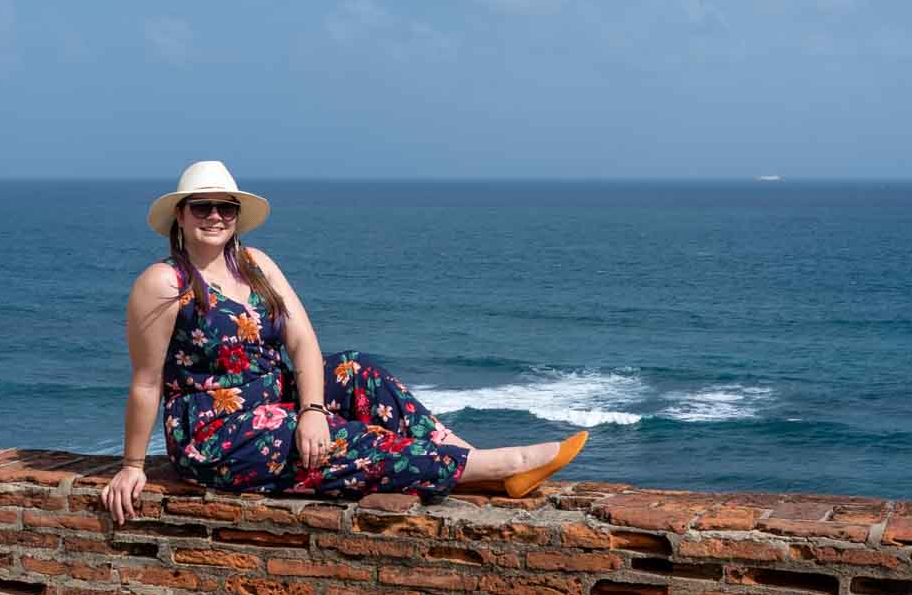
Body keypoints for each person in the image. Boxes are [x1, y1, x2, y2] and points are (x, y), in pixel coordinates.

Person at [103, 160, 584, 524]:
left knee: (356, 370)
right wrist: (131, 465)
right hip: (216, 433)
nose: (214, 216)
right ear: (180, 217)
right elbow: (147, 381)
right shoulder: (163, 282)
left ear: (236, 216)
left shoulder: (255, 265)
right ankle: (503, 465)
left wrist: (312, 410)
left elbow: (304, 341)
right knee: (342, 441)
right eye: (202, 207)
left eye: (224, 207)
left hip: (275, 397)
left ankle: (469, 458)